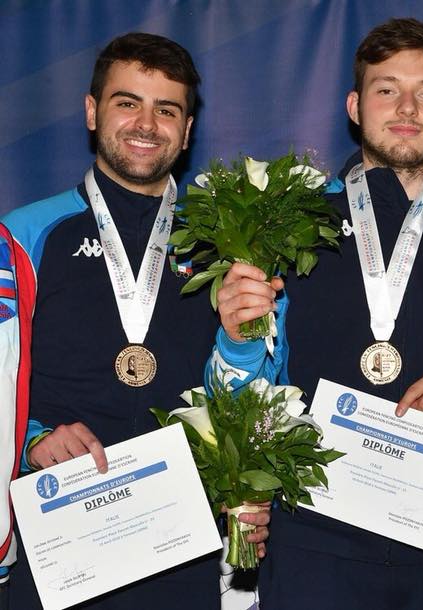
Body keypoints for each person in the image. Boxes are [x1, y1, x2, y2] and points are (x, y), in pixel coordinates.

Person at [208, 18, 423, 610]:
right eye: (386, 89)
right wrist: (236, 342)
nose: (407, 108)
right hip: (313, 540)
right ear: (354, 106)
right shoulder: (288, 222)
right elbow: (244, 392)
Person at [0, 32, 269, 609]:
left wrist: (240, 346)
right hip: (61, 535)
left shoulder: (227, 242)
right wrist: (33, 440)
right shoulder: (23, 235)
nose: (146, 124)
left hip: (184, 541)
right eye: (127, 103)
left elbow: (255, 392)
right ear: (91, 111)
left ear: (187, 130)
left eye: (166, 110)